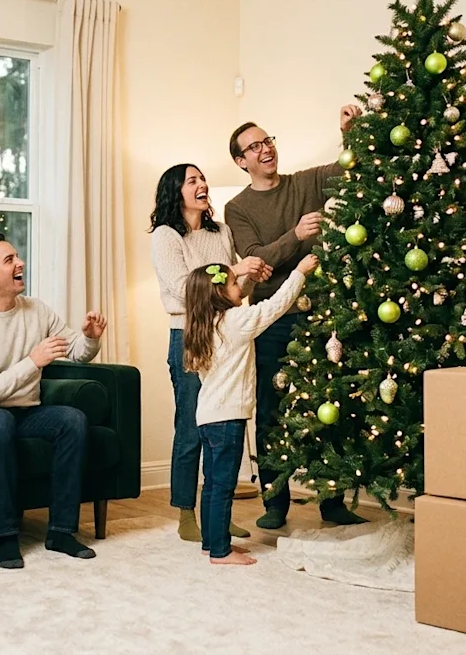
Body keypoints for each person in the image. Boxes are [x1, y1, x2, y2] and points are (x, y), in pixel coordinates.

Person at [224, 105, 369, 530]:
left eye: (268, 141)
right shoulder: (237, 208)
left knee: (331, 401)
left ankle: (332, 500)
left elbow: (350, 169)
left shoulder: (306, 182)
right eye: (254, 146)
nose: (265, 149)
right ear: (241, 161)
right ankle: (274, 501)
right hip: (272, 319)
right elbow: (254, 259)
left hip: (322, 314)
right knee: (272, 408)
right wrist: (297, 237)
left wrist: (349, 132)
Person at [0, 233, 107, 569]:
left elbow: (77, 352)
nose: (19, 262)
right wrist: (32, 362)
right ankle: (7, 537)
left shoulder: (37, 310)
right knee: (1, 421)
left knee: (72, 419)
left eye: (17, 256)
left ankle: (61, 532)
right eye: (9, 260)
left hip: (28, 412)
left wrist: (90, 337)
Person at [149, 163, 273, 543]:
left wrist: (253, 274)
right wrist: (235, 268)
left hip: (227, 333)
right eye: (192, 180)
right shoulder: (166, 236)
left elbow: (233, 287)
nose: (202, 184)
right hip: (188, 334)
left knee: (227, 422)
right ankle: (187, 513)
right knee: (191, 425)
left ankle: (218, 513)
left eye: (202, 179)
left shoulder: (222, 231)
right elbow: (187, 285)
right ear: (176, 191)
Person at [182, 253, 319, 564]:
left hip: (208, 416)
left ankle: (211, 542)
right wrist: (297, 272)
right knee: (224, 485)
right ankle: (220, 551)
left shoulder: (204, 326)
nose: (239, 288)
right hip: (228, 418)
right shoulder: (235, 321)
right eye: (234, 284)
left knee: (213, 483)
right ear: (219, 294)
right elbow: (274, 307)